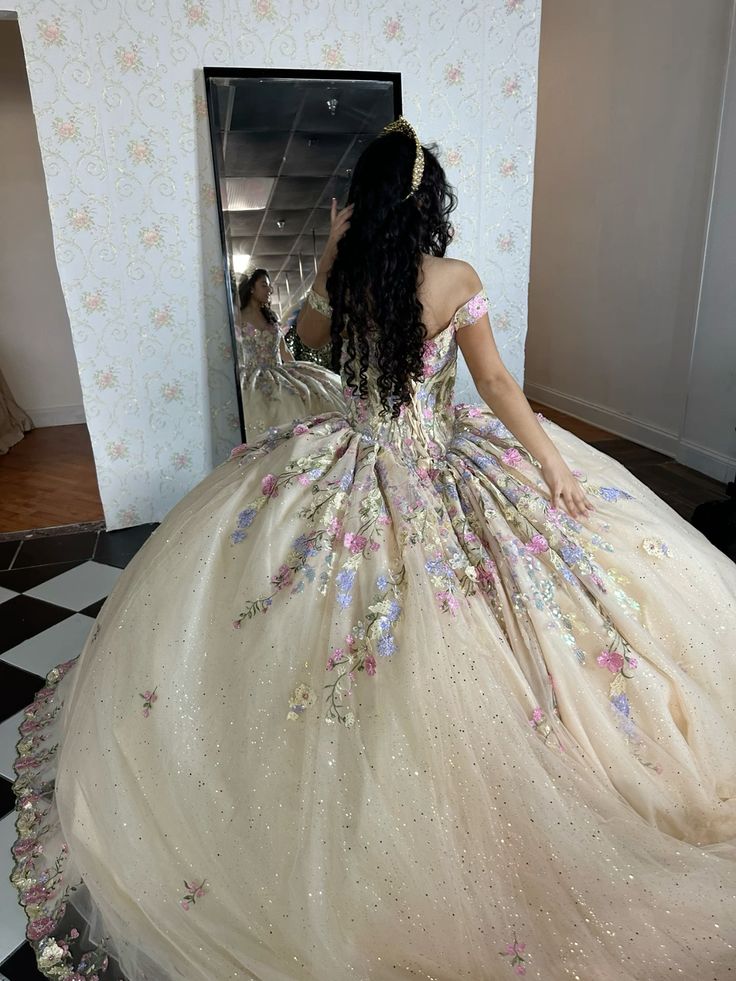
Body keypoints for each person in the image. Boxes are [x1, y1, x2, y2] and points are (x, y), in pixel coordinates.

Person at [11, 118, 736, 981]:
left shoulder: (348, 276)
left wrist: (325, 260)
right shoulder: (456, 278)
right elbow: (495, 382)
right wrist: (550, 462)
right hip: (434, 457)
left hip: (350, 456)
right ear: (428, 201)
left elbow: (300, 349)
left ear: (363, 203)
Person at [235, 267, 343, 439]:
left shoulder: (271, 316)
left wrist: (296, 369)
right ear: (251, 288)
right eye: (264, 285)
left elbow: (283, 350)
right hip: (252, 377)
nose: (269, 290)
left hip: (279, 370)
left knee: (307, 395)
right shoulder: (237, 317)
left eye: (269, 286)